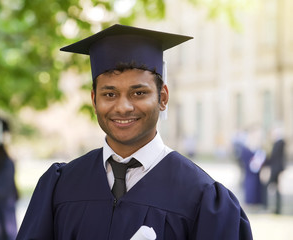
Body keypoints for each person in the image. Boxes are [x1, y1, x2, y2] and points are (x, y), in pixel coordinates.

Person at [17, 24, 253, 239]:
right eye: (109, 94)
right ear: (94, 99)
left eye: (138, 93)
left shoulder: (202, 197)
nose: (123, 107)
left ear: (163, 98)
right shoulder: (61, 186)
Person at [262, 126, 286, 214]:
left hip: (277, 170)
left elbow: (280, 158)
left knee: (277, 189)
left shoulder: (280, 143)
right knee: (267, 187)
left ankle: (278, 209)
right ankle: (267, 206)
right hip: (272, 169)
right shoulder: (271, 144)